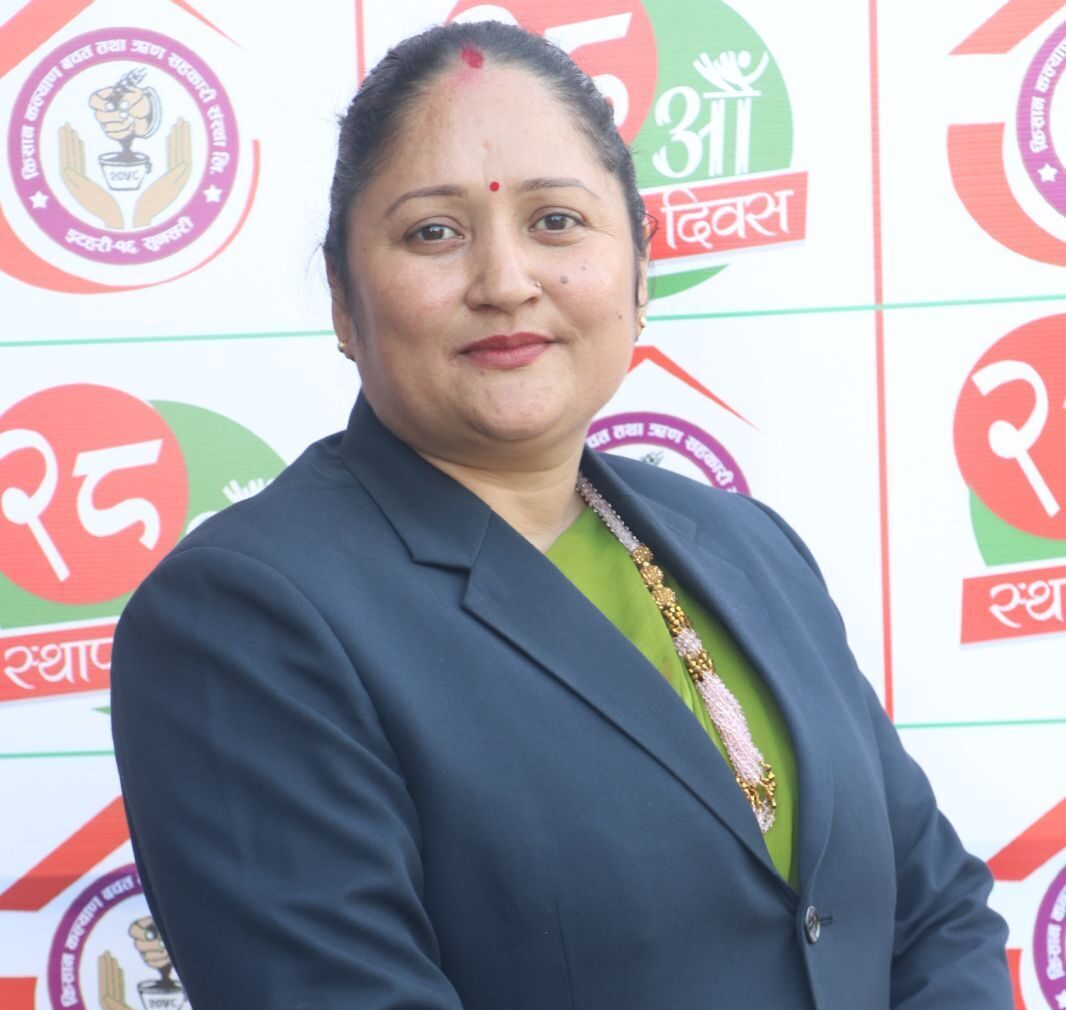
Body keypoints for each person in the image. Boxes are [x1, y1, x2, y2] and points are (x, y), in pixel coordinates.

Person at [110, 20, 1012, 1010]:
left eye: (556, 221)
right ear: (342, 297)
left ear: (639, 271)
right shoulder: (245, 618)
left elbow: (936, 913)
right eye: (433, 232)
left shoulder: (747, 546)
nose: (505, 282)